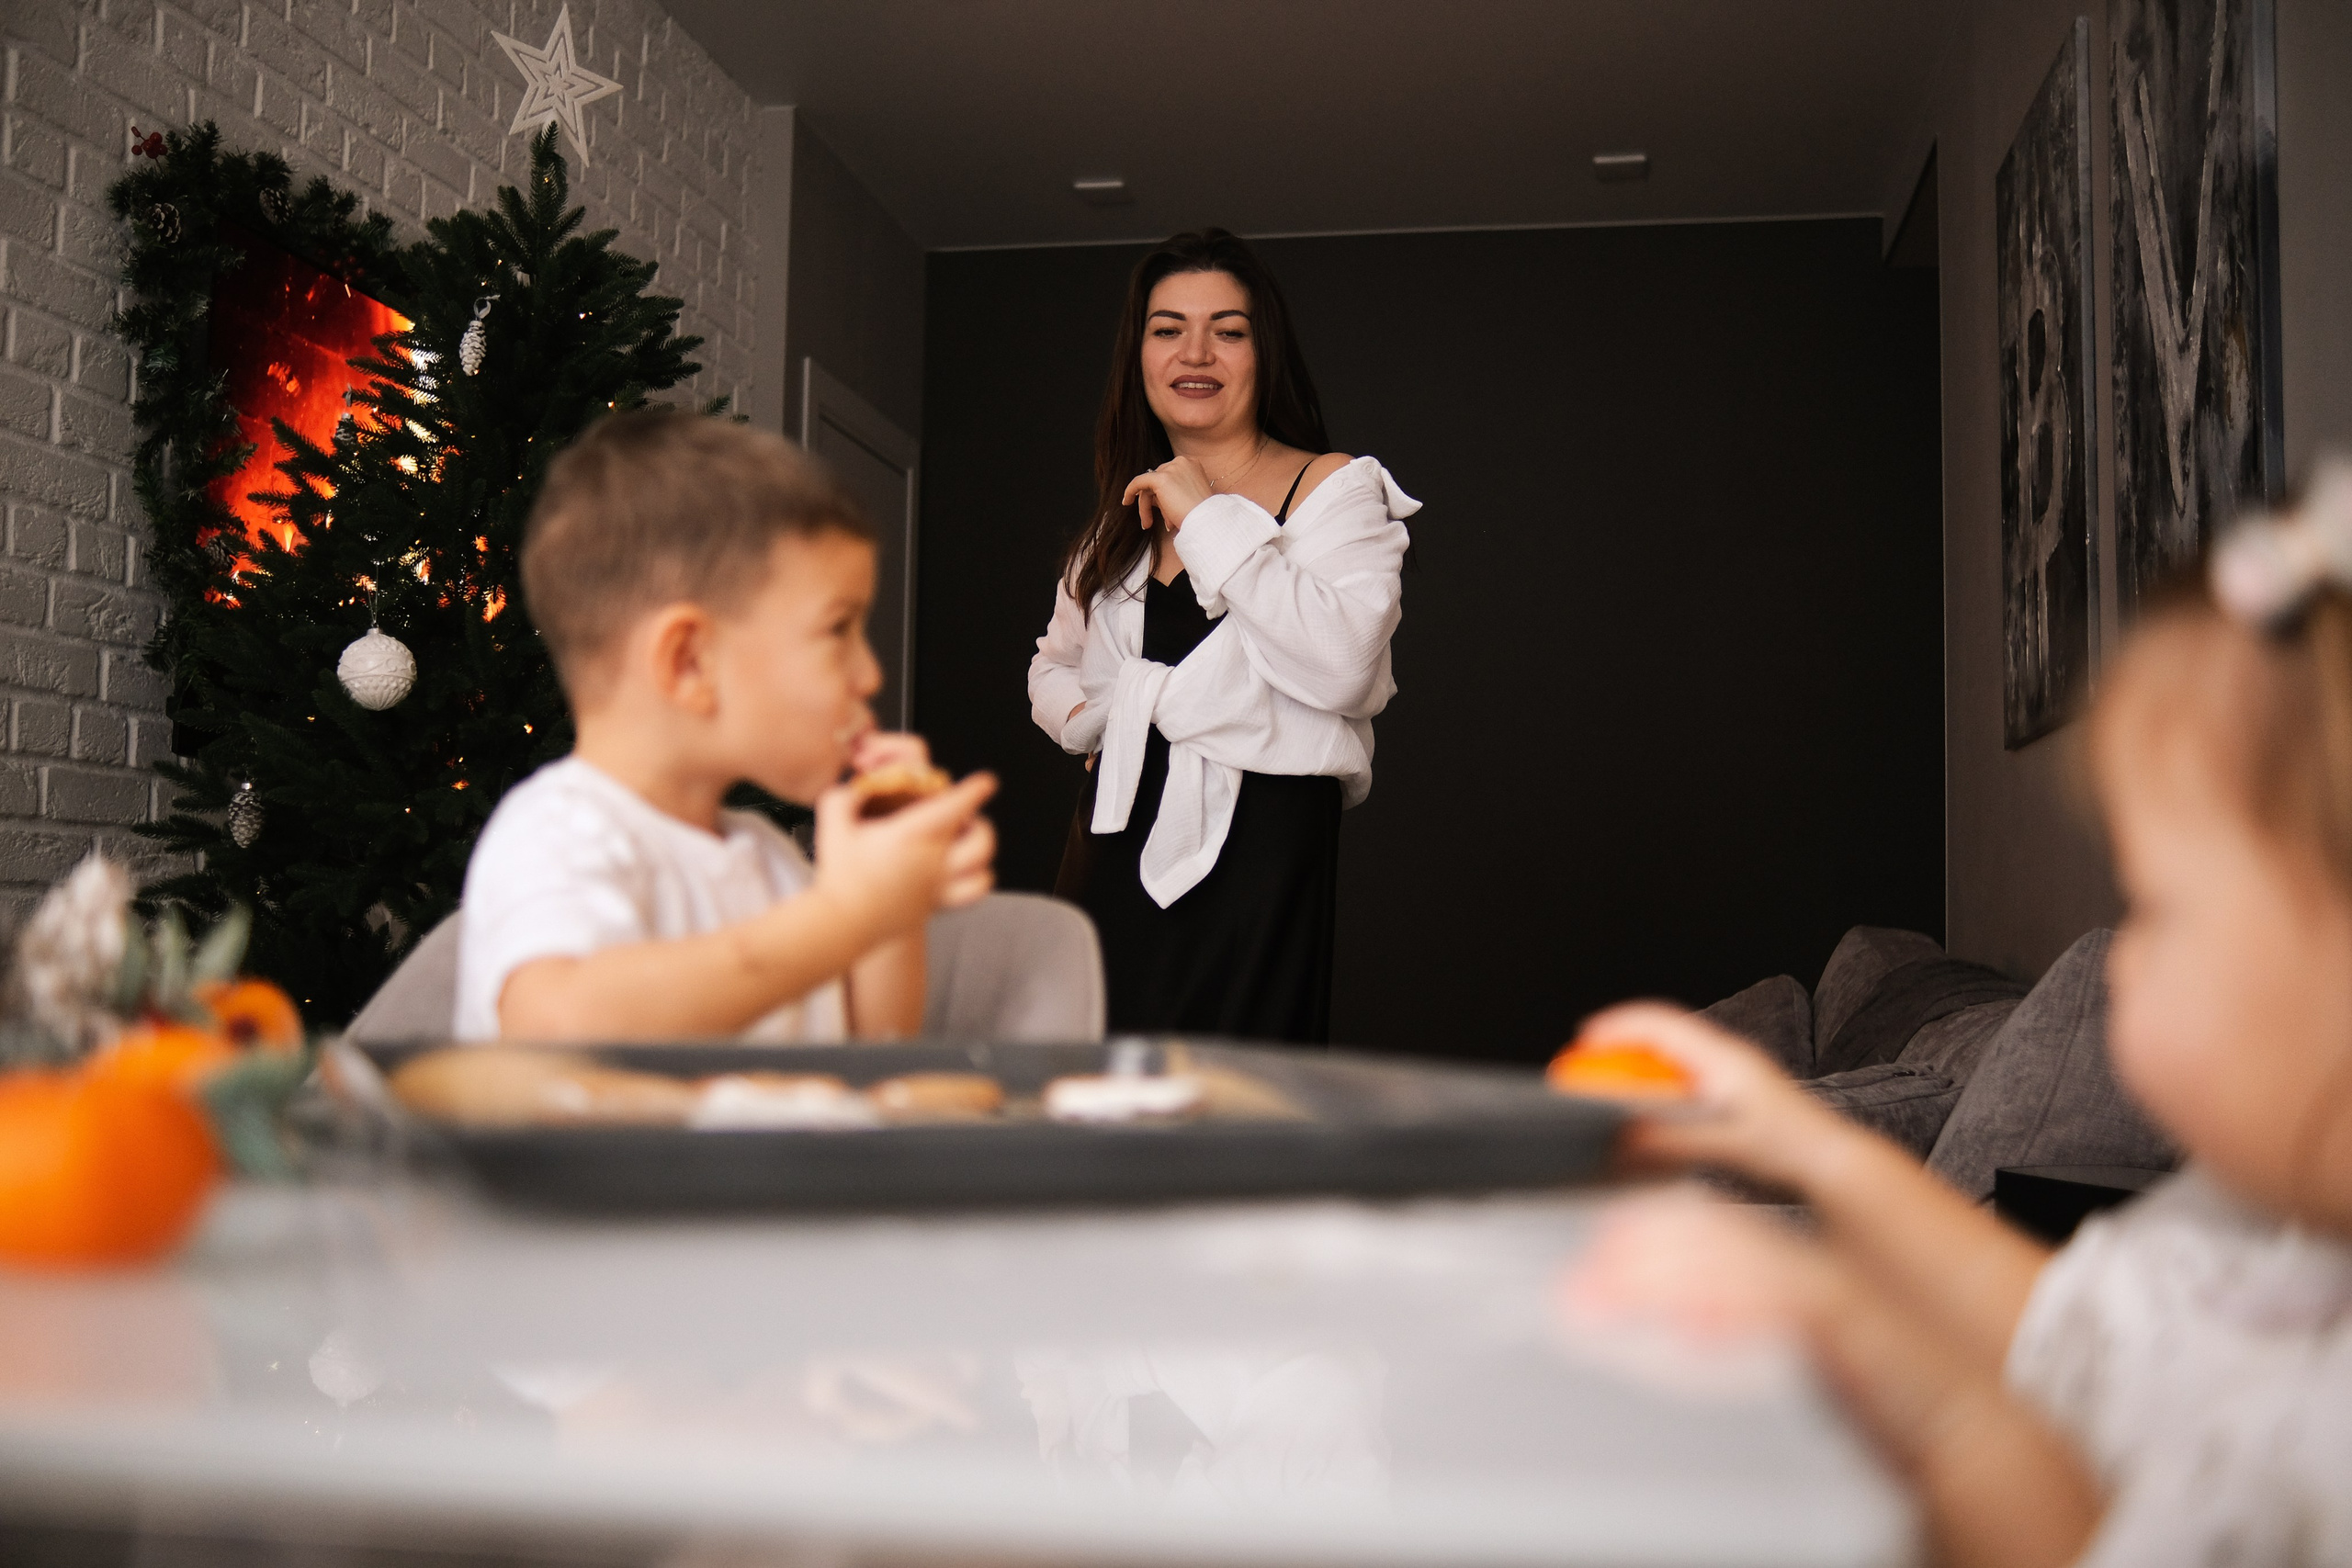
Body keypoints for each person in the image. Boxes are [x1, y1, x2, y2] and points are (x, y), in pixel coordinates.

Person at [1557, 470, 2352, 1567]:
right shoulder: (2236, 1247)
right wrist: (1797, 1144)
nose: (2124, 957)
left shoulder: (2320, 1435)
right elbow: (2048, 1319)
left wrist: (1888, 1378)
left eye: (2159, 908)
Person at [452, 411, 998, 1043]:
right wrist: (845, 917)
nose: (871, 674)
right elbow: (558, 1025)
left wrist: (887, 911)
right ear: (689, 662)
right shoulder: (560, 830)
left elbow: (873, 1042)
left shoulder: (766, 854)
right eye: (838, 629)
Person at [1028, 230, 1419, 1043]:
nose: (1195, 351)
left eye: (1228, 330)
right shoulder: (1117, 522)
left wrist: (1202, 512)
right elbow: (1054, 665)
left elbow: (1342, 666)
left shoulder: (1333, 487)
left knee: (1237, 1111)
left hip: (1263, 853)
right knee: (1094, 1095)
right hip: (1110, 837)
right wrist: (1097, 720)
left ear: (1261, 351)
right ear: (1139, 354)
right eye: (1167, 328)